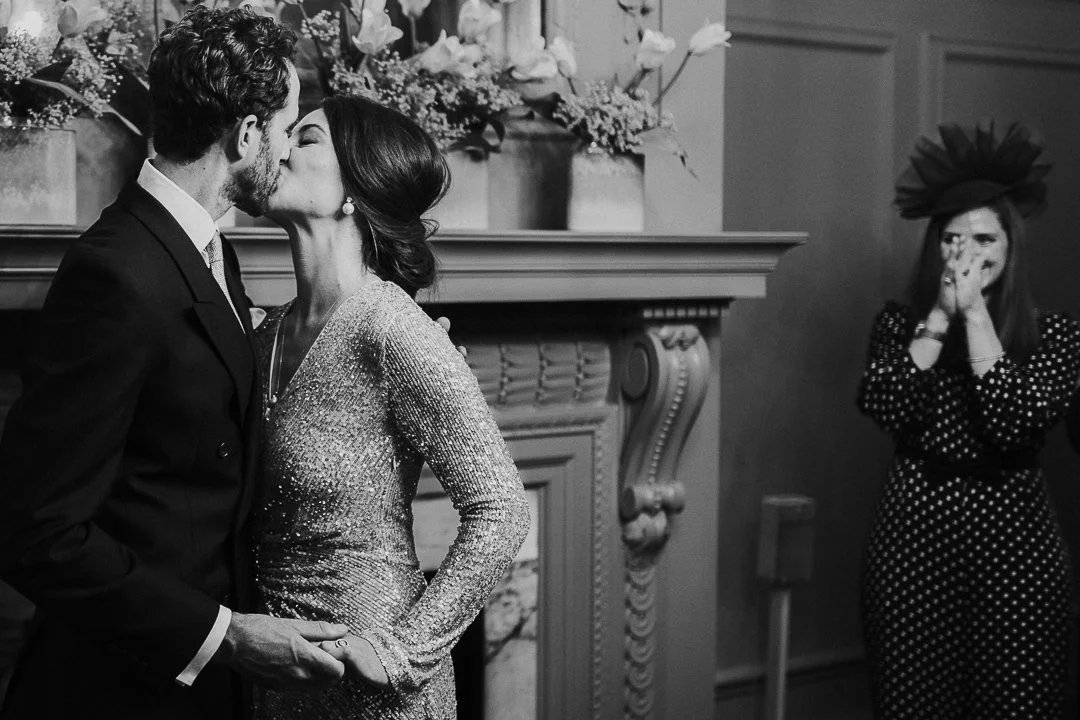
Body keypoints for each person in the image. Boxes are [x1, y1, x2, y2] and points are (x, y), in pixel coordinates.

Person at [0, 7, 352, 719]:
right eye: (285, 129)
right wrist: (225, 636)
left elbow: (211, 388)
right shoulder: (117, 274)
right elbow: (35, 530)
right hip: (113, 692)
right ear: (246, 135)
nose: (286, 151)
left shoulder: (208, 249)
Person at [250, 94, 530, 719]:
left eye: (308, 136)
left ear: (355, 186)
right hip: (274, 681)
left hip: (374, 691)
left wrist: (403, 650)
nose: (281, 145)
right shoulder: (262, 336)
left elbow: (503, 509)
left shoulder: (392, 329)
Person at [857, 121, 1079, 718]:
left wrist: (977, 317)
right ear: (936, 247)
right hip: (912, 544)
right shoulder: (899, 326)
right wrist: (939, 317)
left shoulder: (1055, 336)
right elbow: (886, 405)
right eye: (954, 240)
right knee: (911, 704)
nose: (968, 255)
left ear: (1010, 247)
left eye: (985, 240)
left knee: (1018, 704)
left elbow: (1014, 423)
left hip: (1015, 551)